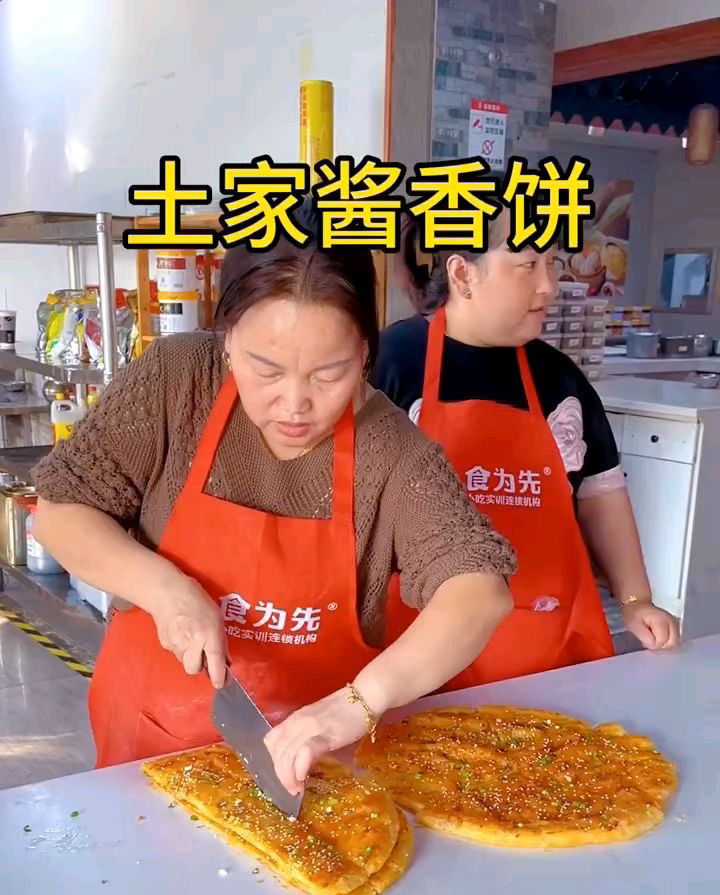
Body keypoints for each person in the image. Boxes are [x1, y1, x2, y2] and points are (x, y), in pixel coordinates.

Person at [32, 199, 516, 795]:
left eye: (329, 374)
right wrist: (166, 591)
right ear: (227, 336)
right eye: (265, 369)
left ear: (367, 353)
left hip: (307, 772)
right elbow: (60, 510)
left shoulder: (393, 452)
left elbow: (479, 589)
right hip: (147, 750)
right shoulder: (177, 381)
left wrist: (356, 707)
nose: (294, 405)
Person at [371, 209, 680, 688]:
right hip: (420, 646)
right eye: (529, 265)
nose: (549, 286)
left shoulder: (558, 375)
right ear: (462, 273)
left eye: (553, 265)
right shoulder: (395, 360)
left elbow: (601, 493)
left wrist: (637, 600)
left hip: (544, 641)